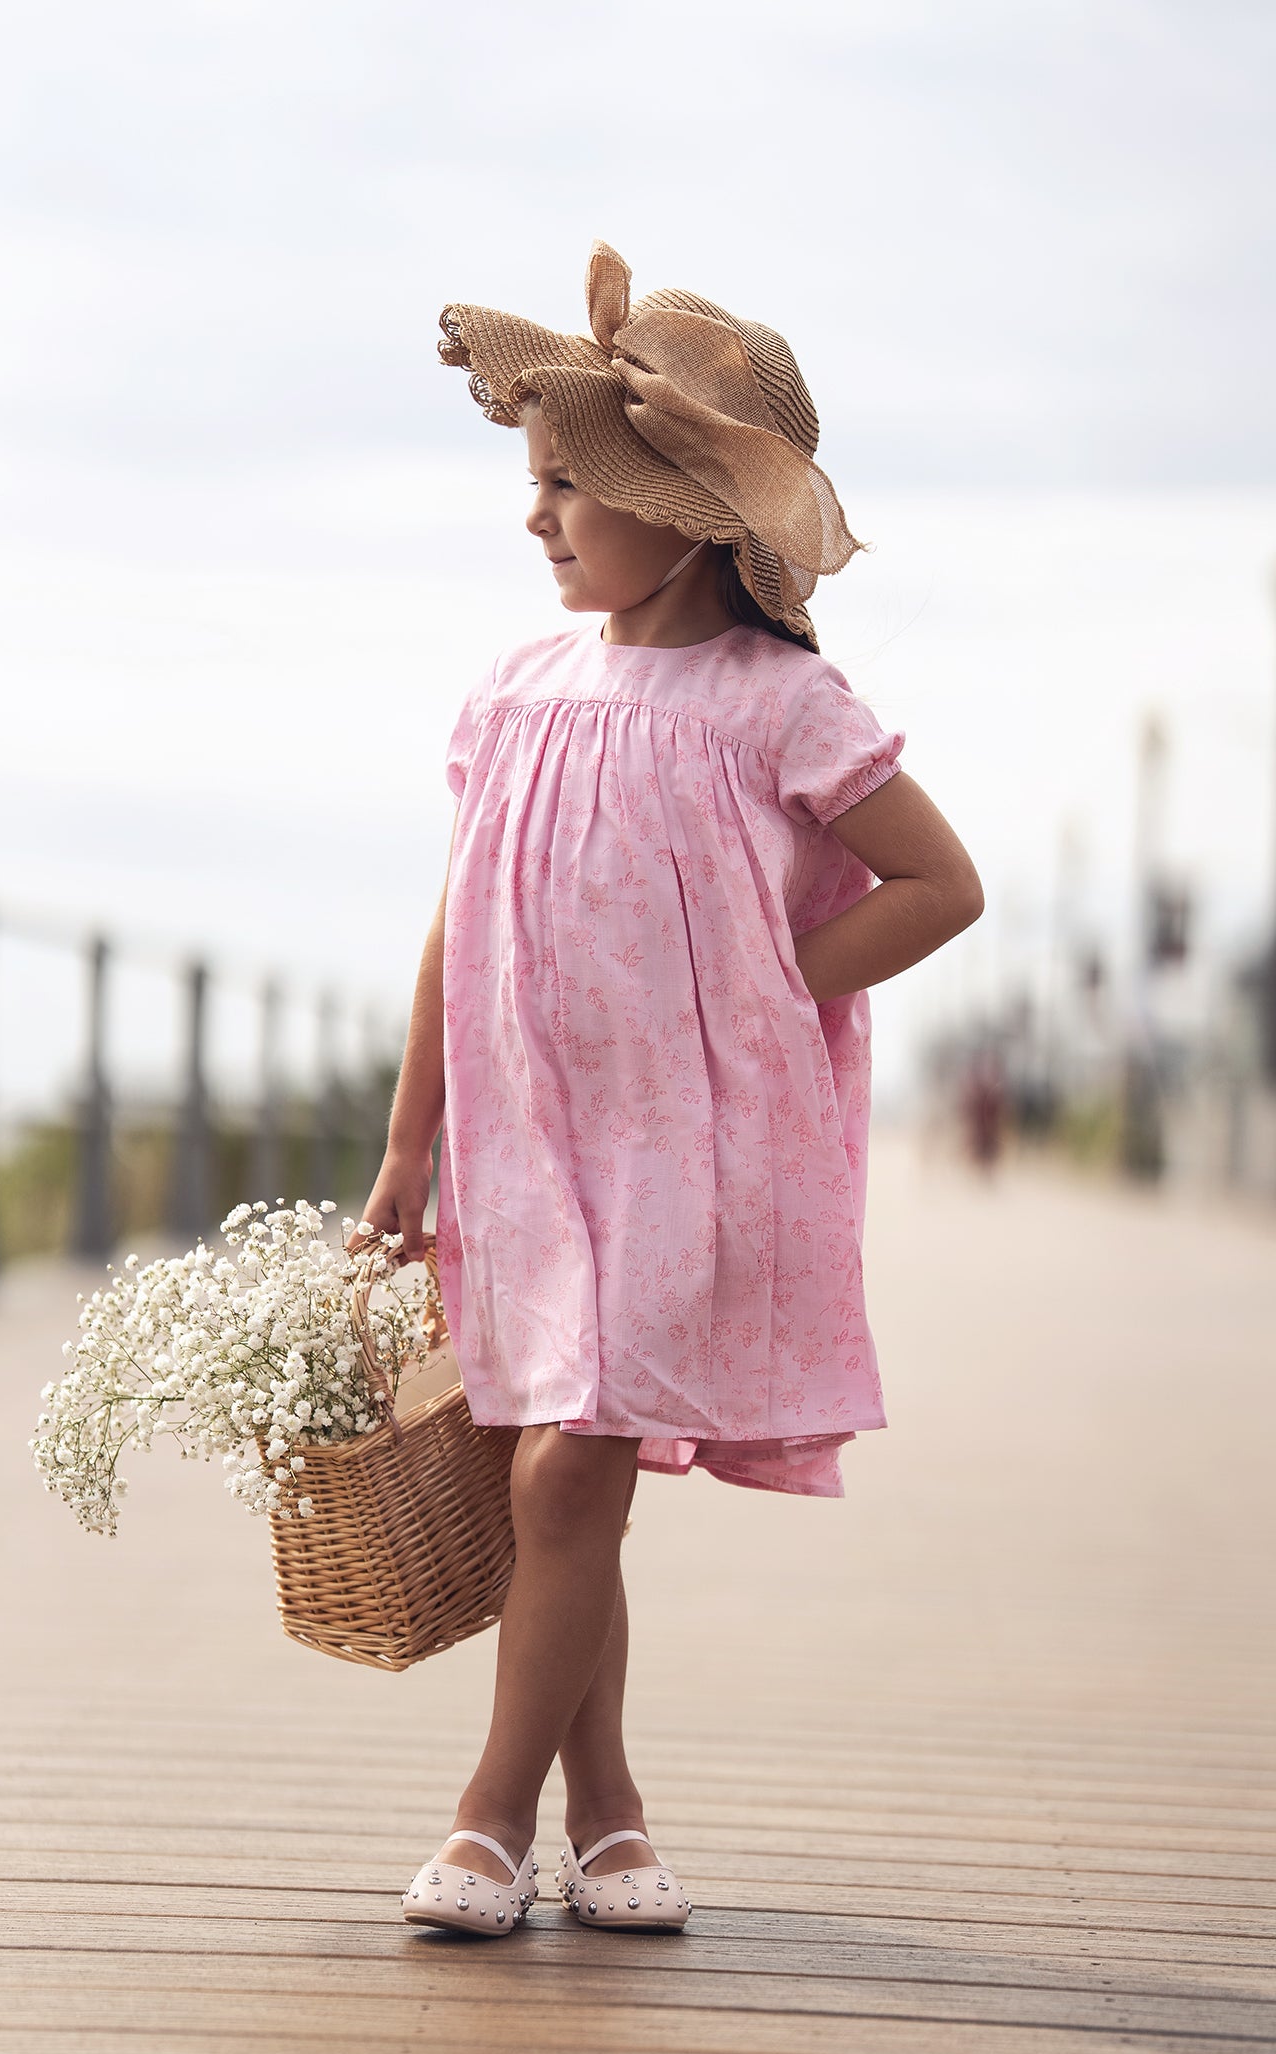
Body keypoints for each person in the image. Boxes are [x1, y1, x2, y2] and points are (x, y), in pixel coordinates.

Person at [358, 241, 983, 1936]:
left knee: (573, 1472)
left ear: (689, 509)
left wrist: (770, 989)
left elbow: (941, 889)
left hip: (683, 1150)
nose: (539, 516)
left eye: (572, 484)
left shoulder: (779, 705)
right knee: (562, 1472)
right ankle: (612, 1813)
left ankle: (490, 1821)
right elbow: (456, 919)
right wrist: (413, 1140)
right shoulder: (515, 690)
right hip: (529, 1143)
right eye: (536, 483)